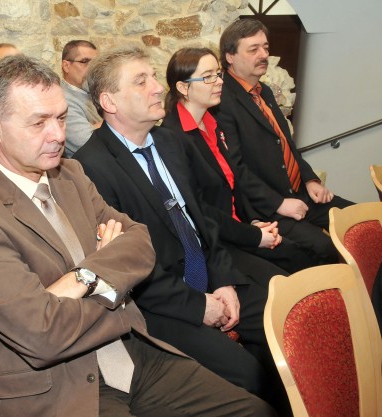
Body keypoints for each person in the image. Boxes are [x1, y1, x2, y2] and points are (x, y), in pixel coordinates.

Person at [0, 54, 275, 417]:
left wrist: (79, 280)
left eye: (61, 118)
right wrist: (107, 279)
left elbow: (140, 241)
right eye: (38, 122)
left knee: (256, 411)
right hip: (53, 386)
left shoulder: (70, 174)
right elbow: (41, 335)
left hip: (130, 352)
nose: (58, 135)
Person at [73, 46, 288, 412]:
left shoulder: (171, 142)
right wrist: (199, 305)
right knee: (252, 377)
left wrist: (224, 281)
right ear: (109, 101)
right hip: (160, 303)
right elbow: (125, 268)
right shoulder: (89, 168)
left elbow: (203, 222)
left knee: (292, 326)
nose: (158, 88)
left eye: (154, 78)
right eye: (141, 82)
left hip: (210, 276)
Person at [162, 47, 318, 274]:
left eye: (218, 73)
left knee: (304, 256)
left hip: (240, 226)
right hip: (215, 243)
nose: (219, 81)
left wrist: (253, 221)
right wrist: (253, 235)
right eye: (208, 77)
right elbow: (202, 210)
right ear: (183, 87)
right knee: (287, 275)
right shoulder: (172, 138)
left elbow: (234, 182)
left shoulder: (212, 122)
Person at [216, 18, 353, 262]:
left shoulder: (264, 91)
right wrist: (279, 203)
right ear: (230, 57)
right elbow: (235, 168)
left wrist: (309, 179)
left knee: (361, 218)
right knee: (326, 248)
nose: (263, 55)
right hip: (267, 207)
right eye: (253, 49)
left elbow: (286, 144)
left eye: (265, 47)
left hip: (299, 193)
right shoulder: (221, 100)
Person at [61, 40, 102, 157]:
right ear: (66, 66)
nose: (93, 69)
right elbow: (90, 143)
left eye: (96, 63)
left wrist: (98, 127)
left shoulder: (97, 91)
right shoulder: (62, 100)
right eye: (85, 62)